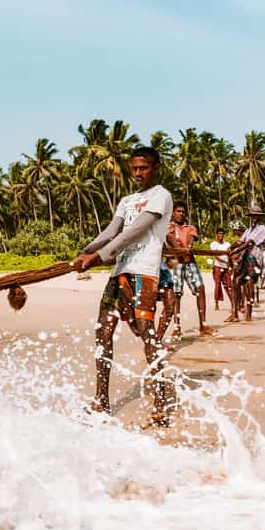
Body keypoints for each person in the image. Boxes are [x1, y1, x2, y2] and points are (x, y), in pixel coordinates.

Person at [72, 146, 176, 427]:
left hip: (143, 272)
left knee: (147, 334)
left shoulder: (161, 197)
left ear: (156, 168)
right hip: (119, 272)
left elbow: (135, 231)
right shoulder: (127, 200)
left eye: (144, 168)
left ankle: (161, 402)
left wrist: (100, 257)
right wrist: (86, 250)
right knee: (102, 332)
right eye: (134, 169)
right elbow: (112, 230)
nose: (138, 173)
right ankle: (101, 401)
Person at [156, 201, 211, 341]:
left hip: (190, 262)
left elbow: (191, 239)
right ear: (173, 213)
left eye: (183, 212)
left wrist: (188, 248)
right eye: (178, 211)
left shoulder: (190, 227)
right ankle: (177, 327)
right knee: (176, 295)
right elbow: (170, 238)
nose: (181, 214)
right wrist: (180, 250)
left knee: (201, 289)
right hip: (175, 263)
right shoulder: (168, 226)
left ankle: (203, 324)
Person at [227, 206, 265, 322]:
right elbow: (240, 241)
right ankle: (234, 314)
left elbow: (249, 243)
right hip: (244, 258)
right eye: (252, 215)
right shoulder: (249, 230)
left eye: (256, 215)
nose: (254, 218)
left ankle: (248, 314)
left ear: (260, 217)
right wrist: (230, 247)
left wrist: (236, 250)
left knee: (248, 284)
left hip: (253, 259)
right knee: (235, 282)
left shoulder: (262, 229)